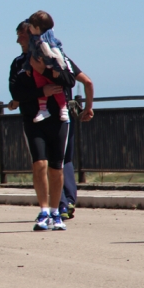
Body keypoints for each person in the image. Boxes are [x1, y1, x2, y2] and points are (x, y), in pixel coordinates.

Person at [9, 16, 76, 231]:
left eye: (22, 34)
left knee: (56, 168)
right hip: (33, 119)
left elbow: (70, 80)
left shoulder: (53, 54)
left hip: (58, 119)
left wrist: (45, 73)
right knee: (39, 164)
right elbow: (16, 92)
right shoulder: (19, 64)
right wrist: (41, 91)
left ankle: (56, 212)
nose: (20, 39)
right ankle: (44, 210)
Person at [59, 68, 94, 220]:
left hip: (48, 116)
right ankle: (70, 200)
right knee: (66, 159)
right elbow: (88, 81)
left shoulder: (36, 61)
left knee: (50, 162)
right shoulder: (64, 61)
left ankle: (61, 204)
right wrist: (88, 107)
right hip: (67, 114)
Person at [25, 11, 71, 123]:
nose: (28, 29)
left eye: (30, 26)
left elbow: (57, 54)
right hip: (37, 67)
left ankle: (63, 109)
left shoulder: (48, 39)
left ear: (37, 27)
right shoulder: (33, 39)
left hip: (50, 66)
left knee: (56, 88)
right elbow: (30, 53)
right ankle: (43, 109)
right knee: (40, 85)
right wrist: (27, 66)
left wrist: (56, 68)